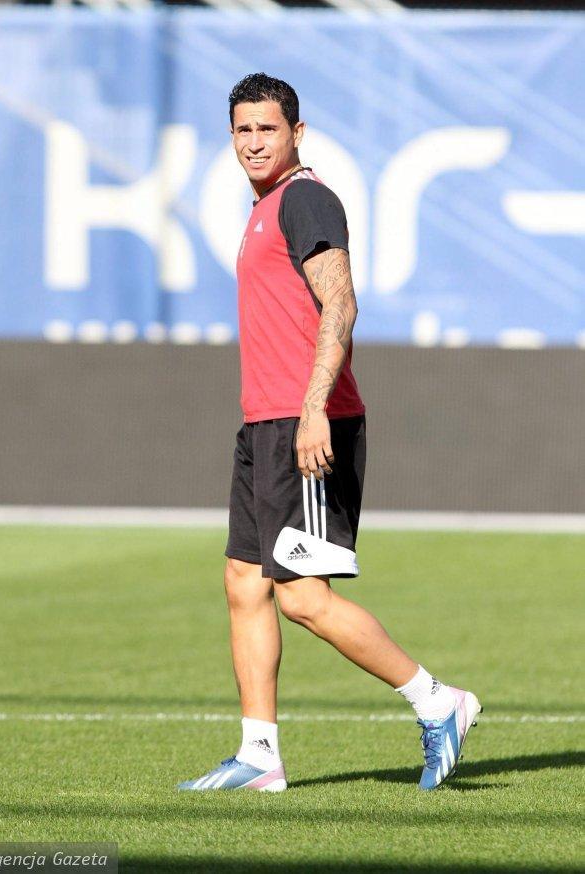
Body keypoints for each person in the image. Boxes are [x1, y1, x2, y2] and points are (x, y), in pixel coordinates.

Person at [178, 73, 480, 793]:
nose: (255, 142)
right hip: (265, 423)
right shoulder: (263, 208)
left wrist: (314, 406)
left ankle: (438, 702)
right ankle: (259, 755)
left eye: (268, 129)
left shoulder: (306, 199)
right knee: (244, 582)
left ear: (297, 133)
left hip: (307, 422)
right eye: (243, 130)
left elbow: (340, 303)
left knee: (302, 597)